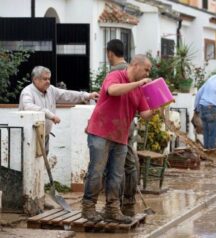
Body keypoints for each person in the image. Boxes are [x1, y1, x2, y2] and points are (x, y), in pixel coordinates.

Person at [82, 54, 157, 224]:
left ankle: (112, 210)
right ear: (135, 65)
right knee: (96, 172)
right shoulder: (115, 76)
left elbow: (145, 115)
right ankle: (88, 208)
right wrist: (138, 84)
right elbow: (112, 90)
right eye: (146, 69)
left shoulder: (139, 89)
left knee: (116, 175)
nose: (147, 74)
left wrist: (158, 106)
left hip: (121, 136)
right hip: (100, 131)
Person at [19, 66, 99, 154]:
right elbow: (28, 106)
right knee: (29, 164)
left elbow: (67, 95)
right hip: (29, 137)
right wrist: (50, 115)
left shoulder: (51, 90)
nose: (48, 82)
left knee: (41, 165)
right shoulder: (27, 92)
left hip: (44, 135)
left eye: (49, 79)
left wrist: (88, 95)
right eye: (45, 79)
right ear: (35, 79)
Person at [106, 39, 138, 217]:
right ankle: (128, 204)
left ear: (110, 53)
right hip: (129, 122)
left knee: (118, 165)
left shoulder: (115, 72)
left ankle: (117, 206)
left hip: (117, 124)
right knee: (129, 163)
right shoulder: (131, 70)